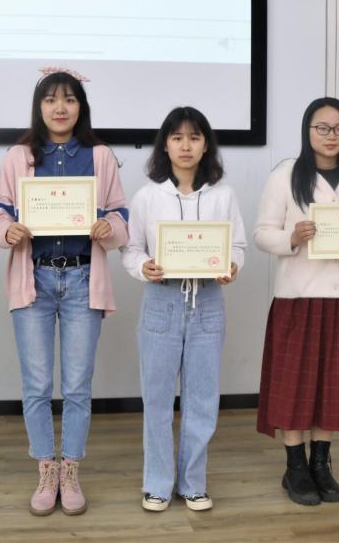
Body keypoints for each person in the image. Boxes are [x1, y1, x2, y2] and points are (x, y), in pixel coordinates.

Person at [0, 67, 129, 516]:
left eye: (69, 99)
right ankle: (45, 468)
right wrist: (7, 231)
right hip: (34, 279)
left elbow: (121, 216)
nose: (60, 107)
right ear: (39, 107)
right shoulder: (18, 156)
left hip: (83, 279)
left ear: (80, 107)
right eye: (50, 99)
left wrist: (109, 227)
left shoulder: (100, 156)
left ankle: (70, 469)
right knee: (36, 384)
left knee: (77, 386)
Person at [253, 97, 339, 506]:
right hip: (298, 298)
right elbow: (262, 234)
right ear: (308, 132)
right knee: (294, 384)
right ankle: (295, 465)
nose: (332, 136)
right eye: (322, 128)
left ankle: (322, 463)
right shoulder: (285, 176)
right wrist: (292, 237)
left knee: (332, 385)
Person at [120, 107, 246, 513]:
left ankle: (193, 483)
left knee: (202, 398)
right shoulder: (147, 196)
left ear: (206, 144)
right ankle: (158, 483)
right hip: (161, 302)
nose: (185, 145)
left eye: (194, 137)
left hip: (208, 302)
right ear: (166, 145)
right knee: (157, 399)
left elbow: (237, 245)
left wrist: (232, 266)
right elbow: (131, 249)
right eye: (177, 137)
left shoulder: (223, 195)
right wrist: (144, 266)